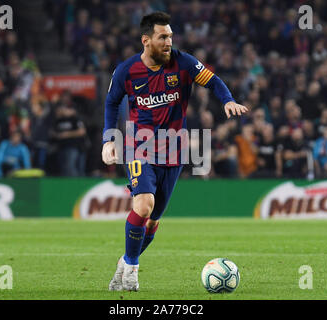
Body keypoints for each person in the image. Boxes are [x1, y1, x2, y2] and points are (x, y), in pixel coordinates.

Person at [101, 12, 248, 291]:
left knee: (153, 222)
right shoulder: (126, 70)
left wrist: (227, 100)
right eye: (163, 37)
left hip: (173, 152)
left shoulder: (184, 62)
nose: (169, 41)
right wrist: (108, 140)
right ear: (146, 41)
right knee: (144, 205)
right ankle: (132, 270)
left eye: (170, 36)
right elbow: (111, 103)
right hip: (139, 147)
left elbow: (214, 81)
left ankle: (126, 260)